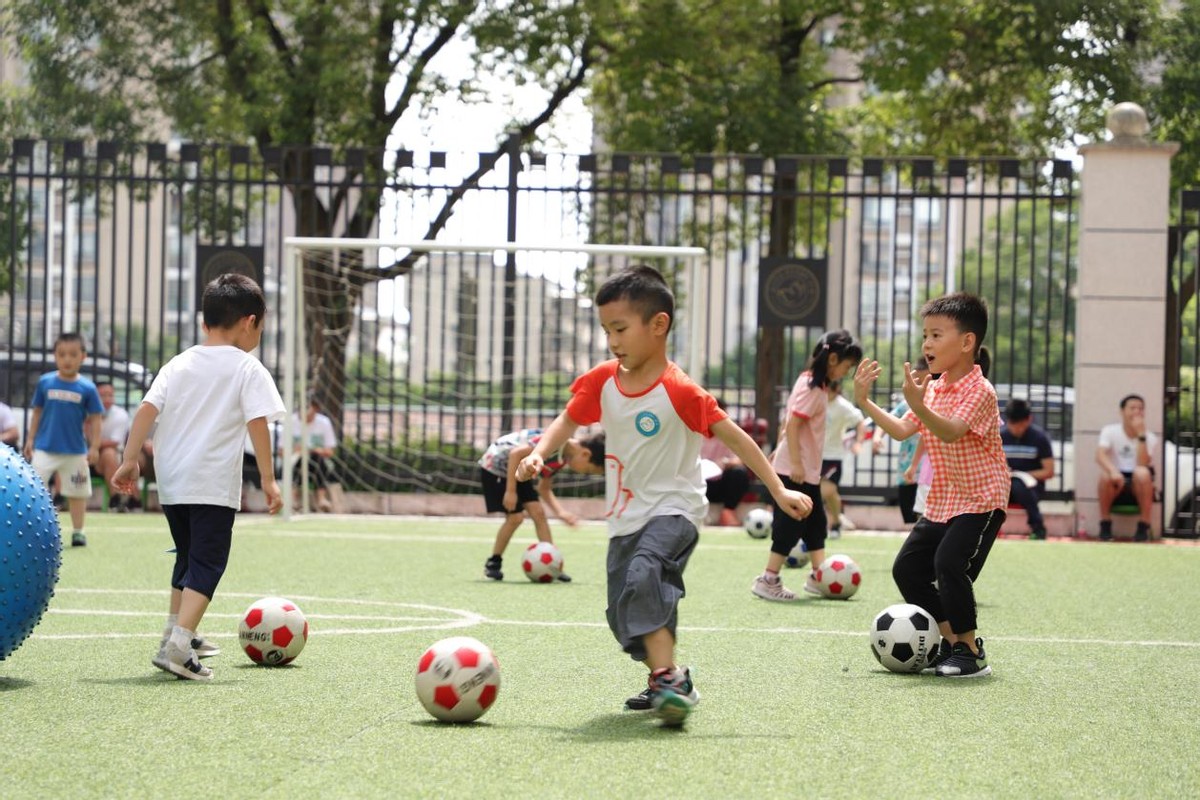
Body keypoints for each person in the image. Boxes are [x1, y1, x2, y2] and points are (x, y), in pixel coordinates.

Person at [514, 265, 811, 727]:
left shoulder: (680, 390)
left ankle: (668, 678)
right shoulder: (603, 381)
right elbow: (568, 420)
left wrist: (777, 488)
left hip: (676, 509)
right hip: (624, 517)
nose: (612, 340)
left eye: (620, 328)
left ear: (658, 325)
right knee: (622, 612)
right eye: (606, 330)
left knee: (646, 572)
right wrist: (538, 454)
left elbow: (736, 439)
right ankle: (666, 677)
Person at [112, 273, 285, 681]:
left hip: (172, 483)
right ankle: (179, 647)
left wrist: (129, 460)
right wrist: (269, 479)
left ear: (205, 324)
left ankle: (175, 633)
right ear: (250, 321)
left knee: (188, 559)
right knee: (207, 564)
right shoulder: (247, 368)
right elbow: (257, 424)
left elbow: (145, 411)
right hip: (210, 484)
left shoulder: (178, 363)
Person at [854, 292, 1010, 678]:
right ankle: (951, 644)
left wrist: (920, 406)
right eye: (925, 335)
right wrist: (864, 403)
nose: (926, 344)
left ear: (967, 341)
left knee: (948, 565)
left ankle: (971, 653)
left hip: (981, 498)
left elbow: (954, 432)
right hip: (945, 498)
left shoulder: (980, 391)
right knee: (907, 569)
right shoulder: (935, 387)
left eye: (937, 335)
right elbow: (905, 429)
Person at [752, 330, 862, 601]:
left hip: (804, 470)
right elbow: (794, 423)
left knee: (816, 523)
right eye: (847, 367)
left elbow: (789, 422)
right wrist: (796, 463)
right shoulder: (813, 388)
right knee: (790, 524)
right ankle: (769, 578)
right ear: (833, 359)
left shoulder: (813, 384)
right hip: (796, 471)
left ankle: (818, 576)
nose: (846, 373)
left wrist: (781, 451)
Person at [480, 427, 606, 582]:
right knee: (516, 518)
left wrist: (561, 513)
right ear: (585, 454)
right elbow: (515, 454)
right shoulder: (556, 441)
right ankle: (493, 563)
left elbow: (544, 488)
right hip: (496, 466)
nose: (582, 473)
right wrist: (511, 491)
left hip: (519, 470)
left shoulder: (561, 459)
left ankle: (552, 565)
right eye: (587, 470)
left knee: (538, 513)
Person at [23, 332, 104, 547]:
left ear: (83, 357)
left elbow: (96, 419)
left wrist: (95, 447)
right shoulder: (45, 382)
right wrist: (30, 439)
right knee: (33, 491)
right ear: (55, 356)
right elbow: (37, 412)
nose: (67, 359)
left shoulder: (88, 388)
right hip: (44, 449)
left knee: (77, 494)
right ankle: (33, 531)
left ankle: (78, 531)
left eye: (73, 354)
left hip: (76, 451)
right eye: (62, 354)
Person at [874, 357, 930, 524]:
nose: (920, 386)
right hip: (907, 468)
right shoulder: (907, 405)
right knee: (912, 516)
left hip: (927, 471)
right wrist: (877, 437)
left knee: (926, 515)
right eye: (917, 380)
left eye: (926, 381)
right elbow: (890, 419)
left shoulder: (937, 402)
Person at [1096, 393, 1157, 542]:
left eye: (1140, 409)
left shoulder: (1150, 437)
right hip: (1117, 481)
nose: (1137, 412)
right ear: (1122, 411)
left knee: (1142, 472)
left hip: (1138, 483)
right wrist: (1113, 471)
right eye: (1132, 408)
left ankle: (1144, 525)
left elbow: (1143, 463)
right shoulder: (1110, 431)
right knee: (1105, 476)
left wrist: (1141, 435)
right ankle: (1105, 525)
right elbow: (1099, 455)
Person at [1000, 398, 1055, 540]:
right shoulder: (1000, 436)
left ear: (1029, 420)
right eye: (1013, 425)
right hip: (1004, 484)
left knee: (1019, 485)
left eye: (1020, 425)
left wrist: (1024, 475)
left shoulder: (1039, 438)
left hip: (1031, 486)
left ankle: (1038, 527)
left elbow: (1049, 471)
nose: (1016, 429)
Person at [820, 380, 867, 539]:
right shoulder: (814, 401)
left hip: (833, 456)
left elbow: (860, 422)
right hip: (813, 455)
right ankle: (837, 521)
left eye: (829, 390)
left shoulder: (843, 406)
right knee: (830, 495)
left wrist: (858, 442)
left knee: (826, 490)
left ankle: (829, 522)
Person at [701, 398, 753, 526]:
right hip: (701, 482)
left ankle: (728, 511)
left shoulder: (730, 434)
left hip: (721, 481)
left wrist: (725, 463)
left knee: (739, 473)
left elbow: (741, 459)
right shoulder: (695, 432)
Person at [287, 397, 340, 512]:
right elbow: (281, 451)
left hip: (318, 461)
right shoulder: (291, 422)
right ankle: (293, 500)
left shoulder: (324, 422)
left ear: (316, 409)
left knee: (316, 460)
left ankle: (321, 499)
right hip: (296, 461)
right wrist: (295, 450)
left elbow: (330, 452)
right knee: (301, 461)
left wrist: (315, 450)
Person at [93, 381, 136, 510]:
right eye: (102, 395)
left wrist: (94, 445)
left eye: (110, 395)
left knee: (108, 453)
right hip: (83, 456)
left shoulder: (120, 415)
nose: (107, 399)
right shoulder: (84, 412)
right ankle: (59, 498)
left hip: (109, 458)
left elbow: (114, 442)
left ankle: (116, 499)